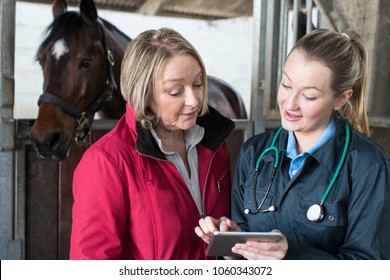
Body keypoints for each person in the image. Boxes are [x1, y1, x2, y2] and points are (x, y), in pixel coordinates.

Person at [195, 28, 390, 259]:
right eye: (286, 85)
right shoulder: (255, 153)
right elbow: (243, 248)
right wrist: (233, 243)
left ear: (341, 99)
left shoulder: (367, 165)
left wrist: (290, 255)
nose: (290, 103)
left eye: (309, 96)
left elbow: (370, 267)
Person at [69, 27, 235, 259]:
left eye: (197, 84)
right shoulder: (106, 162)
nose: (194, 100)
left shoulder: (215, 143)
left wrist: (232, 248)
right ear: (144, 95)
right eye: (175, 91)